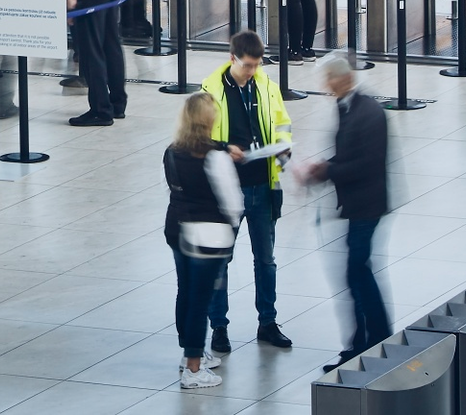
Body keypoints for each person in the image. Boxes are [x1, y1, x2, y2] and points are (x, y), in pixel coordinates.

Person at [297, 52, 391, 368]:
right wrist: (322, 169)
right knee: (358, 272)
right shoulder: (349, 107)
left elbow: (367, 163)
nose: (326, 87)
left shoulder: (369, 114)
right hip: (357, 205)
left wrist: (326, 171)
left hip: (367, 206)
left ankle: (371, 341)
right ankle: (368, 340)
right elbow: (349, 156)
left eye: (330, 80)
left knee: (356, 271)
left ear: (344, 79)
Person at [204, 30, 295, 354]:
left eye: (256, 65)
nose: (252, 71)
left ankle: (267, 322)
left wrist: (283, 150)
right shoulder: (211, 90)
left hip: (262, 184)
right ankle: (219, 327)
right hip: (228, 189)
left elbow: (282, 124)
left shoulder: (267, 87)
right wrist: (223, 148)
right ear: (232, 59)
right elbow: (196, 138)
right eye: (247, 65)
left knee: (266, 260)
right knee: (220, 261)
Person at [166, 91, 244, 388]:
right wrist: (233, 227)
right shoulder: (215, 159)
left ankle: (188, 354)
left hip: (177, 228)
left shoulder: (172, 150)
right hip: (208, 235)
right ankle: (195, 369)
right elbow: (232, 202)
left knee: (185, 291)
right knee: (201, 298)